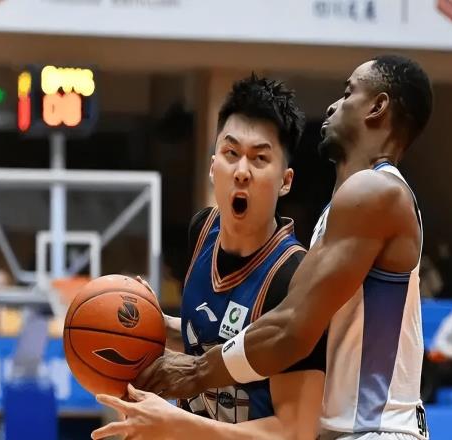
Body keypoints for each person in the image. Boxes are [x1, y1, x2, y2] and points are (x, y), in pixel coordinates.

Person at [138, 55, 434, 440]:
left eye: (348, 94)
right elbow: (275, 324)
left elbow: (291, 329)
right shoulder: (352, 201)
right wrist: (164, 328)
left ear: (377, 107)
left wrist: (196, 372)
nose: (333, 106)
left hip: (374, 430)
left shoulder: (374, 191)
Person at [92, 74, 326, 439]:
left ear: (285, 181)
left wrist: (176, 424)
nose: (242, 172)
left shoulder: (292, 278)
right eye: (231, 154)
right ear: (213, 166)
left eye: (260, 158)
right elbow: (210, 334)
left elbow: (295, 431)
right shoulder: (202, 230)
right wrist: (150, 324)